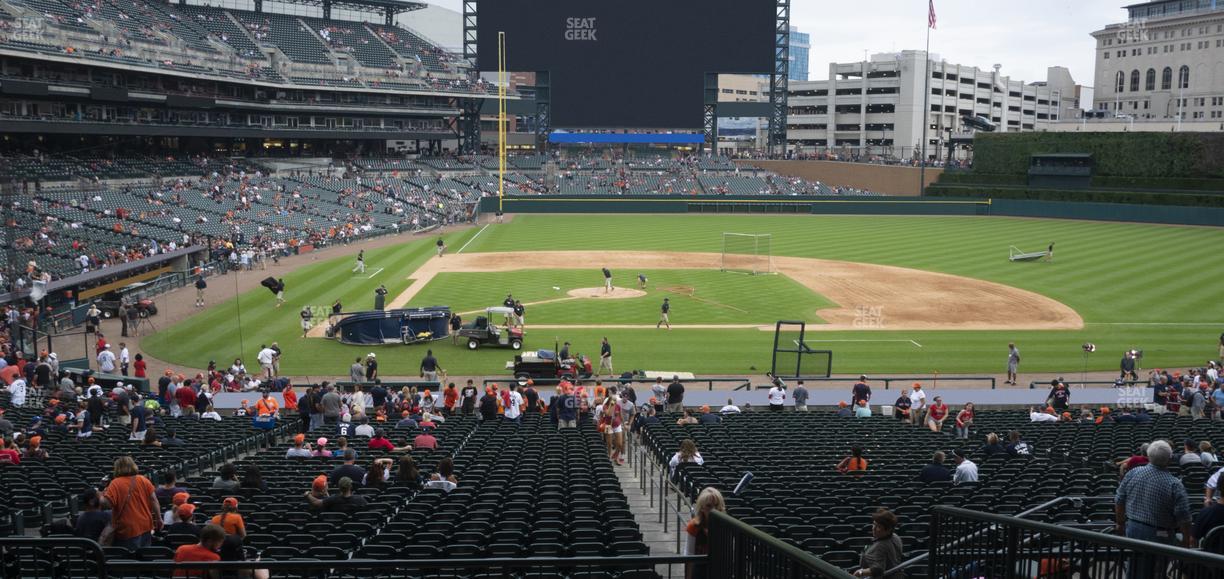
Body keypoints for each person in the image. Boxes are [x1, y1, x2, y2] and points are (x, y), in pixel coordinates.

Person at [1116, 440, 1193, 552]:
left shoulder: (1133, 473)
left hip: (1133, 529)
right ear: (1170, 459)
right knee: (1158, 562)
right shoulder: (1175, 484)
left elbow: (1119, 499)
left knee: (1134, 560)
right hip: (1161, 536)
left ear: (1149, 456)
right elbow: (1183, 516)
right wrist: (1186, 541)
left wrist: (1120, 524)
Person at [100, 456, 162, 549]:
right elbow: (154, 500)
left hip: (127, 528)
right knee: (144, 554)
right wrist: (159, 519)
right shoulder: (143, 479)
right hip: (145, 525)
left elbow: (107, 504)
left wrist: (101, 492)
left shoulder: (115, 483)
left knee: (130, 556)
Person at [684, 487, 726, 578]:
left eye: (716, 505)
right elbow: (689, 555)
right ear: (702, 508)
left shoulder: (725, 526)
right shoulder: (693, 526)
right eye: (709, 506)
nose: (713, 509)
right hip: (700, 571)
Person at [853, 508, 904, 578]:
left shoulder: (879, 546)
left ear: (888, 530)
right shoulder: (895, 537)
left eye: (879, 527)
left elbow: (877, 570)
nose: (873, 528)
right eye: (874, 524)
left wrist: (860, 572)